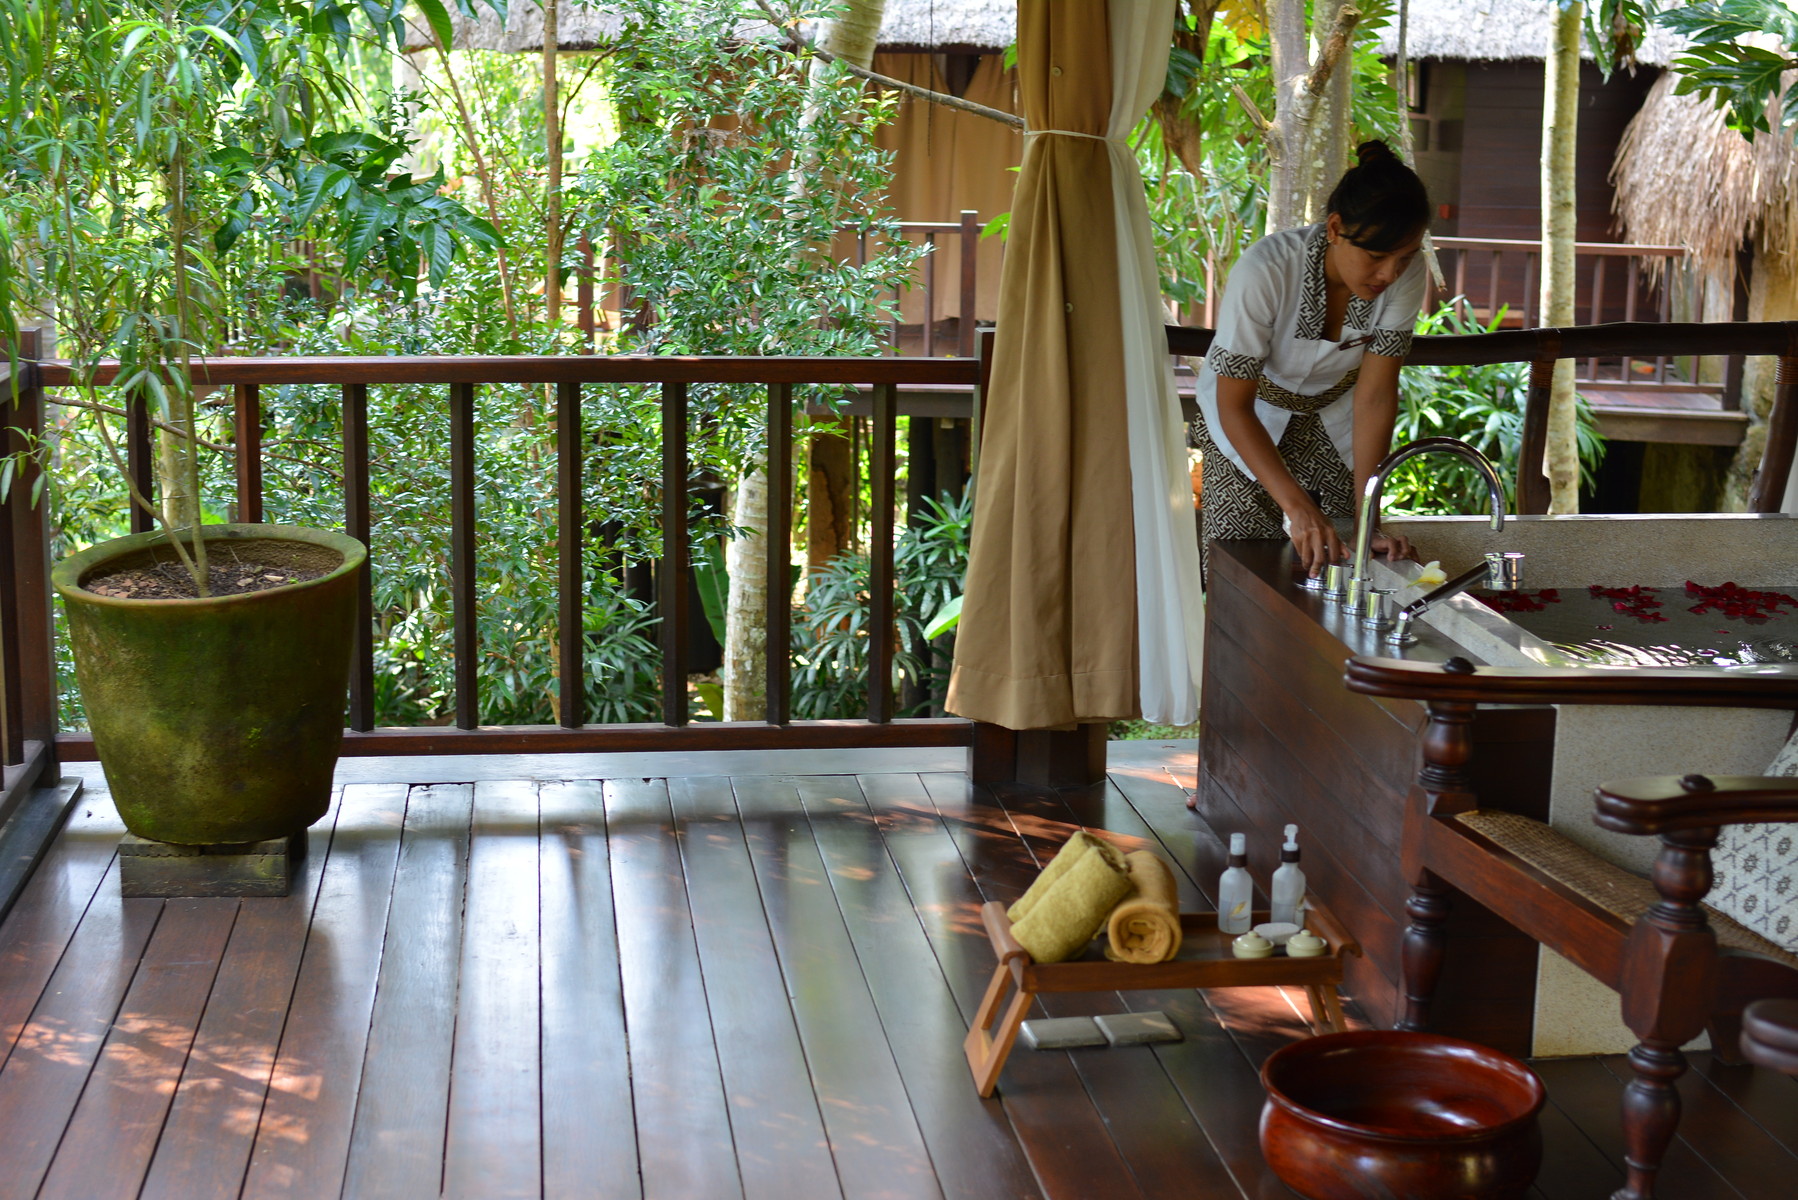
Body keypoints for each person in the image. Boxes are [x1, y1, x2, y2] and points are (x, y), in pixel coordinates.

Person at [1193, 140, 1429, 581]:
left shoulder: (1407, 275)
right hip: (1247, 416)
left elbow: (1375, 397)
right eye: (1377, 256)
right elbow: (1233, 405)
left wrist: (1368, 521)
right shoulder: (1266, 271)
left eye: (1405, 257)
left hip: (1333, 416)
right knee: (1241, 571)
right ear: (1335, 228)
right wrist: (1298, 507)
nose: (1390, 274)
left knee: (1340, 563)